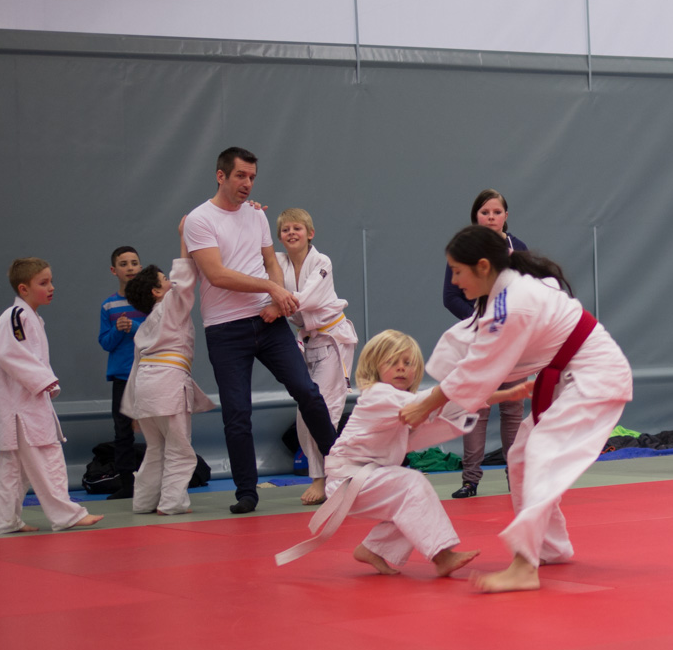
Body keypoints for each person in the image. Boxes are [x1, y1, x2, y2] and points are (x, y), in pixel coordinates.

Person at [399, 226, 633, 593]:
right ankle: (550, 547)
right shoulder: (508, 293)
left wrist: (426, 404)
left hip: (595, 376)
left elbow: (479, 370)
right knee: (522, 454)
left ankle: (525, 565)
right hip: (571, 375)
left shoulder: (513, 303)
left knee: (541, 452)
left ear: (483, 266)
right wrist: (429, 399)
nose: (454, 281)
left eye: (457, 271)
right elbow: (471, 343)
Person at [183, 147, 337, 514]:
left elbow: (270, 261)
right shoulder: (198, 219)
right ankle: (246, 491)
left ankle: (342, 467)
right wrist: (272, 288)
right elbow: (217, 275)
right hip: (225, 329)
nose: (248, 183)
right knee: (237, 413)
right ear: (220, 176)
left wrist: (275, 299)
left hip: (268, 322)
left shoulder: (256, 216)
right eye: (241, 176)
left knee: (307, 391)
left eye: (252, 177)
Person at [274, 331, 485, 577]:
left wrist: (498, 393)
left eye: (408, 363)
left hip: (363, 478)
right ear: (375, 367)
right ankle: (443, 557)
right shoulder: (378, 394)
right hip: (347, 481)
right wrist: (469, 379)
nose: (401, 368)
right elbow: (433, 400)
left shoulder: (403, 401)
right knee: (412, 484)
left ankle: (373, 549)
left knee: (410, 500)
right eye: (392, 362)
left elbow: (443, 407)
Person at [0, 258, 103, 534]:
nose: (51, 287)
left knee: (13, 468)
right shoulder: (16, 316)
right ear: (24, 288)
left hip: (21, 403)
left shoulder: (30, 317)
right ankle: (67, 515)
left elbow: (26, 356)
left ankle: (6, 521)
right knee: (47, 458)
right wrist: (44, 381)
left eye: (51, 281)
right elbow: (7, 354)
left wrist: (45, 381)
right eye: (43, 283)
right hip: (24, 406)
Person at [119, 225, 215, 515]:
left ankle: (143, 502)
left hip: (145, 391)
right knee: (179, 449)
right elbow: (184, 280)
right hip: (167, 384)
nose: (171, 283)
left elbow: (135, 369)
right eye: (165, 280)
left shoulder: (145, 327)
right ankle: (171, 503)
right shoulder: (170, 306)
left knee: (155, 449)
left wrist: (133, 410)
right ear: (157, 291)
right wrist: (185, 239)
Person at [443, 189, 529, 499]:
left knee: (513, 409)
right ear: (475, 216)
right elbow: (450, 296)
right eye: (485, 212)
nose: (491, 217)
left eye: (496, 212)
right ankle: (470, 480)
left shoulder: (518, 249)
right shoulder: (464, 249)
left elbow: (530, 292)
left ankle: (515, 477)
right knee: (476, 407)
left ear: (506, 216)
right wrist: (481, 320)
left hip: (513, 342)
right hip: (478, 341)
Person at [274, 208, 359, 506]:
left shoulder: (322, 262)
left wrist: (276, 305)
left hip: (333, 340)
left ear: (310, 233)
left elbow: (306, 298)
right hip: (308, 343)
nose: (291, 233)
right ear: (279, 237)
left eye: (297, 228)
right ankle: (334, 474)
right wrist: (251, 214)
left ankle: (325, 478)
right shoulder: (278, 263)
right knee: (305, 414)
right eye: (286, 229)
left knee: (325, 412)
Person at [98, 245, 146, 500]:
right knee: (123, 431)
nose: (130, 268)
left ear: (141, 267)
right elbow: (105, 343)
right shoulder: (109, 306)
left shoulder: (151, 301)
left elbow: (158, 334)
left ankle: (157, 483)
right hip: (121, 377)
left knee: (157, 429)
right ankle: (127, 485)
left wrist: (134, 326)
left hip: (149, 374)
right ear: (113, 270)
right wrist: (118, 329)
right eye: (124, 264)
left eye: (134, 263)